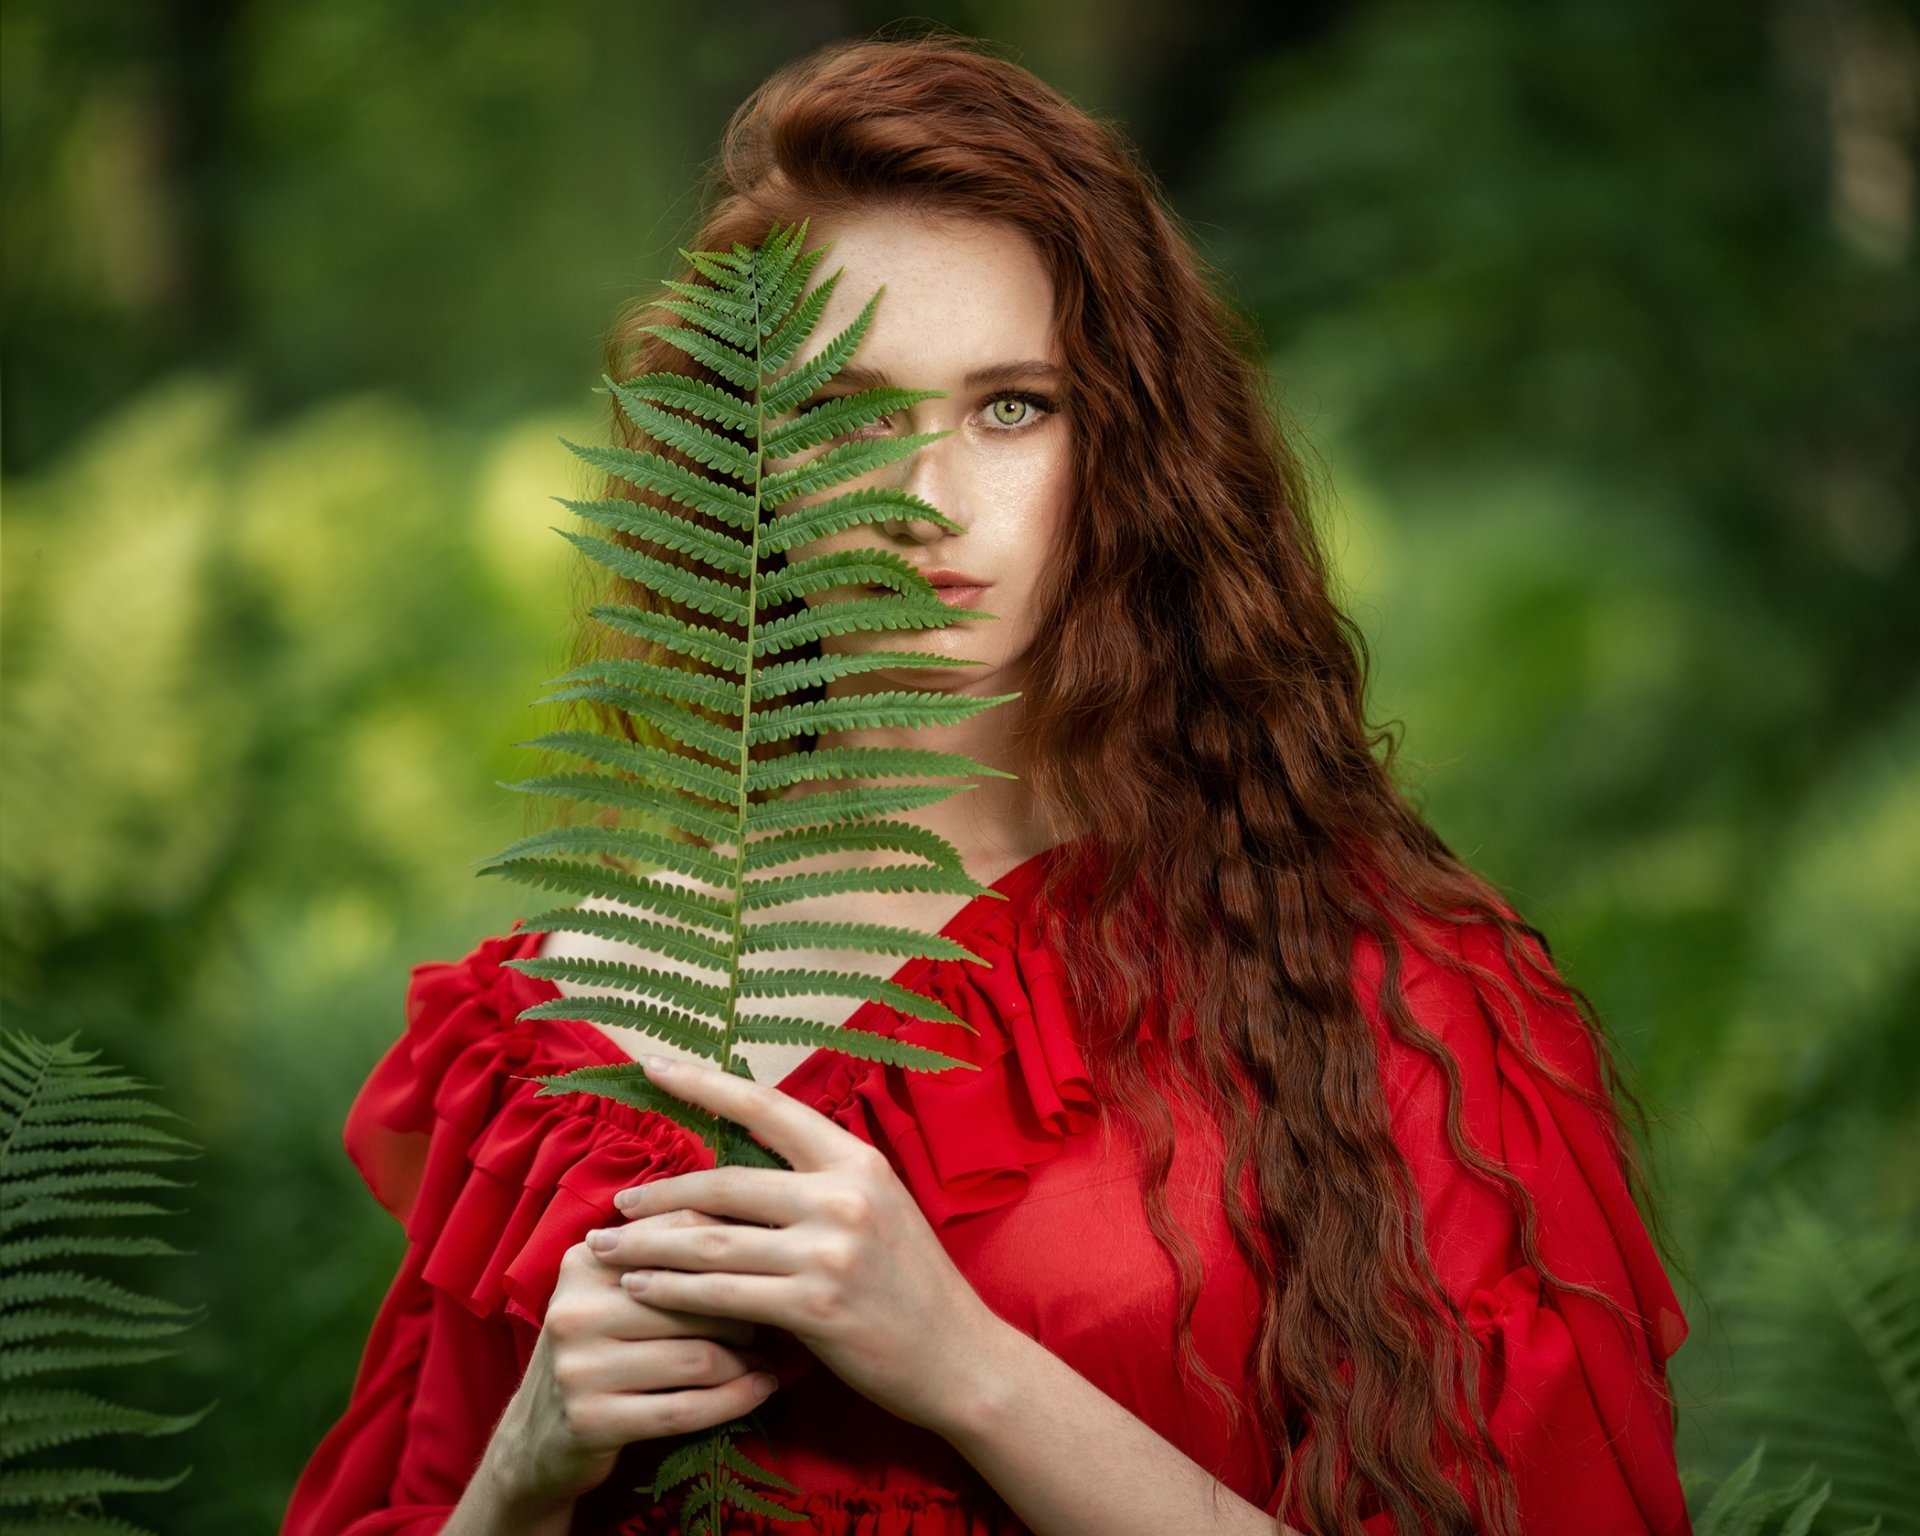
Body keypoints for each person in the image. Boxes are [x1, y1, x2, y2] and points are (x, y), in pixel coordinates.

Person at [279, 30, 1695, 1536]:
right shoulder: (556, 1037)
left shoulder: (1376, 995)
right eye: (841, 412)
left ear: (1131, 449)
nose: (925, 503)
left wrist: (963, 1363)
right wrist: (522, 1472)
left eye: (1012, 406)